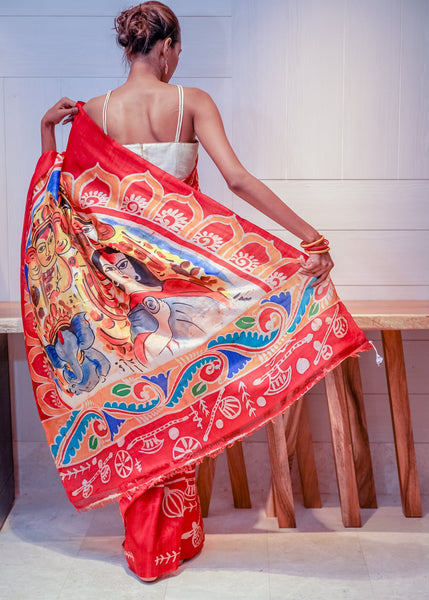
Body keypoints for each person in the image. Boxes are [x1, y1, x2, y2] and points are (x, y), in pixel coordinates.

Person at [23, 1, 370, 582]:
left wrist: (45, 134)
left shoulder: (96, 114)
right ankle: (177, 540)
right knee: (178, 409)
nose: (179, 59)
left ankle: (149, 551)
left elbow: (65, 209)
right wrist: (311, 239)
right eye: (179, 50)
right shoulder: (191, 102)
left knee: (143, 414)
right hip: (189, 295)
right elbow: (236, 180)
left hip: (125, 301)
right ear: (164, 47)